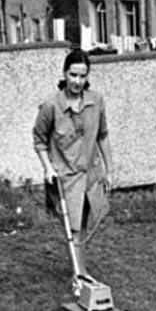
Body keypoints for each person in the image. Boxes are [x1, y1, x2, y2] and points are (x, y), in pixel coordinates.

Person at [33, 48, 113, 296]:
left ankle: (81, 269)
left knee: (86, 225)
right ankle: (80, 277)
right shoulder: (50, 106)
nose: (77, 81)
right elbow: (39, 140)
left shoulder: (96, 100)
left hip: (90, 174)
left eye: (82, 76)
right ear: (65, 73)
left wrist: (110, 170)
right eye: (73, 75)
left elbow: (102, 136)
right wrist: (47, 168)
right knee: (74, 228)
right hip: (65, 177)